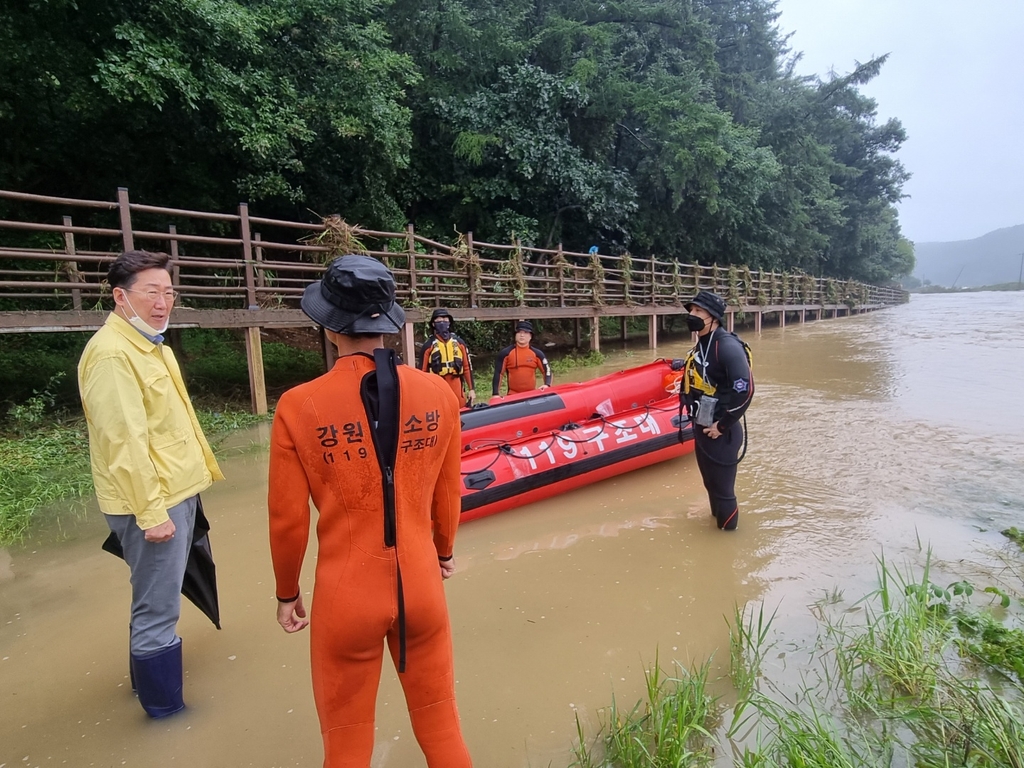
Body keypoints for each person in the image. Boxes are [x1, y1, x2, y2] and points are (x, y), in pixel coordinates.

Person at [268, 255, 472, 768]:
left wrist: (287, 592)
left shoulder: (298, 405)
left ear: (329, 325)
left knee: (347, 743)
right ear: (386, 322)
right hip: (421, 585)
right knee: (443, 728)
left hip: (345, 595)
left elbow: (287, 520)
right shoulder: (438, 397)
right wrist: (444, 551)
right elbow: (448, 492)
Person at [78, 250, 224, 718]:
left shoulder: (148, 344)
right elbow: (123, 442)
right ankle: (165, 712)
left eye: (168, 292)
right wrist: (152, 513)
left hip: (174, 491)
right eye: (151, 292)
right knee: (159, 611)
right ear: (121, 297)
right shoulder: (112, 354)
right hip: (154, 501)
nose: (163, 302)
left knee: (152, 598)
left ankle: (146, 687)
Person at [676, 290, 753, 531]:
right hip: (703, 427)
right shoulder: (703, 343)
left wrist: (721, 426)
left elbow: (746, 391)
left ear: (714, 318)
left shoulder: (726, 346)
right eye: (691, 310)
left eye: (699, 311)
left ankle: (727, 546)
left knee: (723, 492)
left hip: (721, 432)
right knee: (710, 485)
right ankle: (715, 530)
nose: (692, 315)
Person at [420, 307, 476, 407]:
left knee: (460, 411)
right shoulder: (428, 346)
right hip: (437, 385)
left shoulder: (459, 343)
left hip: (456, 384)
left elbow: (467, 367)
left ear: (449, 323)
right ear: (433, 324)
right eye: (439, 320)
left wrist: (471, 389)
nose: (443, 323)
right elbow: (422, 372)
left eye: (445, 320)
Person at [490, 320, 553, 399]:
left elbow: (547, 370)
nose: (522, 335)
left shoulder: (537, 354)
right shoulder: (506, 353)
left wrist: (547, 385)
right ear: (515, 335)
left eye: (526, 333)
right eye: (519, 332)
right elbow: (498, 373)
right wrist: (495, 393)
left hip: (531, 395)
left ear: (530, 336)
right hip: (512, 396)